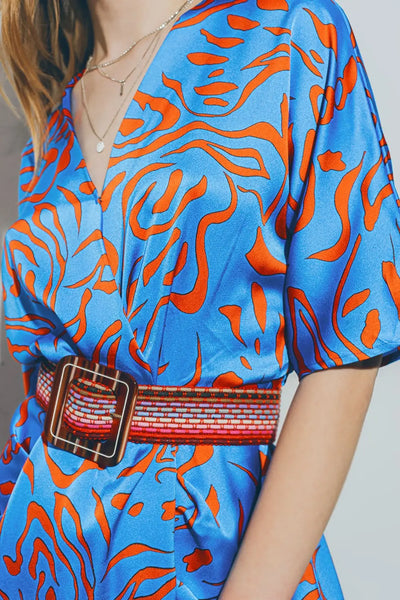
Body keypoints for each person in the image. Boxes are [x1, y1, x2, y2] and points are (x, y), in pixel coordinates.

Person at [0, 0, 399, 598]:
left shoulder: (291, 33)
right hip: (39, 544)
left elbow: (348, 343)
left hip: (206, 549)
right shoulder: (47, 117)